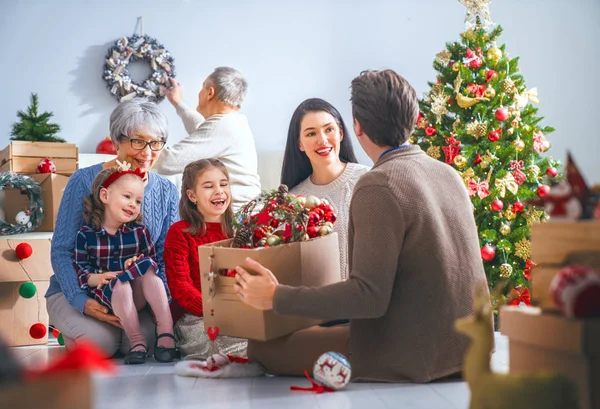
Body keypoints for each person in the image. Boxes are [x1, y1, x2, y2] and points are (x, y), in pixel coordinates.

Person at [233, 70, 489, 383]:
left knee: (261, 347)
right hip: (470, 347)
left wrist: (277, 296)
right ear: (415, 117)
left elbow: (368, 296)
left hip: (416, 353)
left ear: (355, 127)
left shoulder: (376, 184)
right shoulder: (448, 173)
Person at [46, 98, 180, 357]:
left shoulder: (166, 190)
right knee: (101, 345)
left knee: (145, 342)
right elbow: (62, 250)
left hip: (135, 292)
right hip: (81, 289)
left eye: (155, 143)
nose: (147, 152)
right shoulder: (83, 181)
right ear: (117, 140)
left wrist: (158, 302)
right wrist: (81, 302)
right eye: (137, 141)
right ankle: (73, 325)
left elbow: (166, 254)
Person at [75, 163, 176, 364]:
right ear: (105, 196)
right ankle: (136, 341)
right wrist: (95, 277)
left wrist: (137, 262)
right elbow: (80, 269)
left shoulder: (139, 232)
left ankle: (166, 329)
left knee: (147, 267)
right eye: (127, 197)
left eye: (138, 201)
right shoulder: (86, 235)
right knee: (119, 283)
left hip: (136, 296)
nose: (133, 204)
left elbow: (153, 262)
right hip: (108, 297)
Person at [164, 159, 247, 359]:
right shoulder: (180, 233)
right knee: (231, 342)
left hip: (237, 312)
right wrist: (215, 311)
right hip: (195, 317)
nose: (219, 191)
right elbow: (181, 288)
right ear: (192, 195)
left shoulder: (241, 231)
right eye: (209, 186)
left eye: (223, 184)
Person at [281, 98, 369, 280]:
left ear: (341, 133)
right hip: (319, 305)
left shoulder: (369, 180)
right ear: (300, 144)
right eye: (311, 134)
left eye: (329, 129)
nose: (322, 140)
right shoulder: (293, 200)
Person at [154, 67, 261, 211]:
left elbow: (168, 162)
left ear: (210, 93)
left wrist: (132, 151)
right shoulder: (234, 122)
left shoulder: (223, 126)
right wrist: (178, 103)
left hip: (235, 217)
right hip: (240, 211)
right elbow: (201, 128)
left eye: (202, 88)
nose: (200, 93)